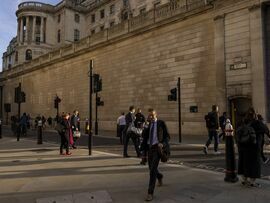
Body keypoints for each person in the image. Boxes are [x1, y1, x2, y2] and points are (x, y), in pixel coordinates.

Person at [141, 109, 170, 202]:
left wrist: (163, 144)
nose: (151, 117)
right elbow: (144, 137)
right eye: (149, 115)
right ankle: (160, 176)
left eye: (152, 115)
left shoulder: (161, 123)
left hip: (158, 149)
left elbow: (167, 137)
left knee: (152, 170)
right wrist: (145, 126)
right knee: (151, 168)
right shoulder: (148, 125)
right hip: (150, 149)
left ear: (156, 115)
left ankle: (150, 193)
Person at [237, 108, 266, 187]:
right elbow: (266, 130)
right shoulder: (257, 123)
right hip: (254, 147)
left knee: (243, 163)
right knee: (254, 164)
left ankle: (244, 180)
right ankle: (252, 182)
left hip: (243, 147)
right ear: (254, 114)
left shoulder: (242, 122)